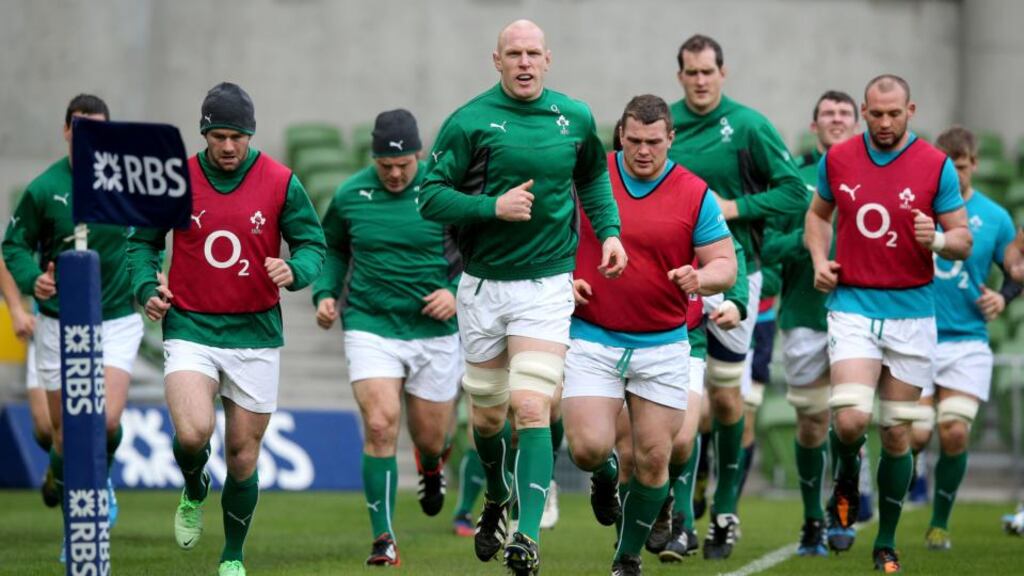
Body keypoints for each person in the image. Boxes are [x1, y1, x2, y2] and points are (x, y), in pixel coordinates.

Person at [418, 19, 626, 575]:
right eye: (515, 54)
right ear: (497, 60)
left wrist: (608, 233)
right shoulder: (468, 122)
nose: (525, 63)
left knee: (531, 408)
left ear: (548, 59)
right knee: (486, 422)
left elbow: (594, 181)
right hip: (483, 287)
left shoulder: (575, 118)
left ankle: (527, 536)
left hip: (545, 285)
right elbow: (429, 198)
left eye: (534, 53)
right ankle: (494, 498)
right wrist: (492, 208)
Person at [127, 82, 325, 576]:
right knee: (193, 433)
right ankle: (194, 487)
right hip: (190, 324)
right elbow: (141, 245)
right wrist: (146, 286)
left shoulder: (281, 181)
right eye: (219, 136)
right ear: (205, 134)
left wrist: (295, 271)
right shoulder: (175, 177)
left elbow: (312, 246)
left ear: (251, 134)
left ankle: (233, 554)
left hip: (255, 333)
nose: (229, 145)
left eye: (238, 135)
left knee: (241, 456)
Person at [562, 94, 736, 575]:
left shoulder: (693, 192)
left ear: (670, 138)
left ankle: (627, 559)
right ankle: (604, 475)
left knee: (656, 458)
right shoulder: (591, 179)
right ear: (620, 135)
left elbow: (725, 263)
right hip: (594, 336)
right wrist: (563, 280)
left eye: (653, 142)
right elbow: (552, 238)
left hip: (662, 342)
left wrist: (701, 278)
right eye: (634, 140)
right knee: (588, 448)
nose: (643, 151)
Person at [805, 74, 972, 573]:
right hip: (853, 303)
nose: (883, 122)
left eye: (893, 114)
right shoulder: (837, 158)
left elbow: (961, 237)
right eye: (875, 113)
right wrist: (819, 257)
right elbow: (818, 217)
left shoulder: (935, 165)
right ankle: (845, 482)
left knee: (897, 434)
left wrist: (937, 241)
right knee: (851, 418)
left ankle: (887, 540)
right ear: (863, 110)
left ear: (910, 111)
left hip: (913, 312)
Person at [667, 33, 807, 559]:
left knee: (726, 399)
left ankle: (723, 509)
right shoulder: (665, 129)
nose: (700, 81)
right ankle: (679, 516)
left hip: (735, 273)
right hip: (674, 279)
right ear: (679, 75)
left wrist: (733, 208)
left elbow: (794, 191)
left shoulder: (748, 126)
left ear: (723, 74)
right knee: (681, 401)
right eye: (691, 72)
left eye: (708, 72)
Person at [312, 109, 461, 566]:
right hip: (370, 324)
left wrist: (455, 293)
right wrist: (325, 292)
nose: (395, 174)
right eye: (385, 165)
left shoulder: (443, 190)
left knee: (431, 437)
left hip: (434, 330)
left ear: (419, 153)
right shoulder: (351, 193)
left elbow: (481, 251)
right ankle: (384, 539)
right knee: (379, 425)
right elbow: (333, 248)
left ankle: (431, 464)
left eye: (404, 164)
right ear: (372, 157)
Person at [2, 94, 141, 557]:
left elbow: (149, 238)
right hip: (59, 322)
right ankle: (77, 526)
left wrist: (151, 275)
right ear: (67, 130)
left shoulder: (125, 184)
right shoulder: (44, 189)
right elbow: (14, 246)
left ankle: (99, 490)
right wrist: (31, 281)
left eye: (98, 128)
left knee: (103, 419)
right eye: (81, 127)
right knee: (60, 431)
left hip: (118, 318)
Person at [909, 125, 1020, 551]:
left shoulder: (994, 217)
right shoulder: (917, 207)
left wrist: (1005, 296)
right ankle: (906, 478)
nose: (953, 174)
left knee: (953, 432)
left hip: (966, 339)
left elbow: (1016, 268)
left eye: (961, 166)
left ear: (973, 164)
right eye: (946, 166)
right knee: (916, 434)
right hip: (916, 334)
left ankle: (939, 523)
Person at [762, 90, 860, 556]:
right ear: (815, 123)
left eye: (845, 113)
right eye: (828, 113)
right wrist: (810, 239)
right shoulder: (793, 180)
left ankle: (844, 499)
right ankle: (811, 519)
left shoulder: (871, 177)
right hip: (803, 314)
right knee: (812, 423)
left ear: (855, 124)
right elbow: (768, 249)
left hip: (860, 313)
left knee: (849, 420)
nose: (837, 120)